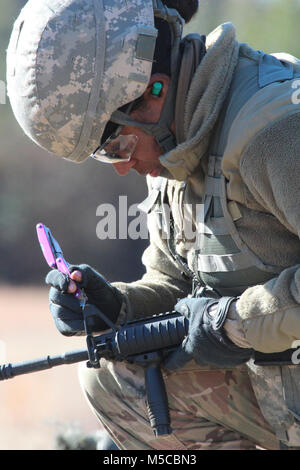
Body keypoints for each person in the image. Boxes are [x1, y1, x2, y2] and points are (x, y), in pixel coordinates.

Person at [6, 0, 300, 451]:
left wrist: (238, 323)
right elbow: (178, 288)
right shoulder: (179, 145)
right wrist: (118, 307)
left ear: (153, 92)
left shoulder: (275, 130)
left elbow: (223, 321)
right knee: (116, 375)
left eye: (117, 144)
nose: (123, 166)